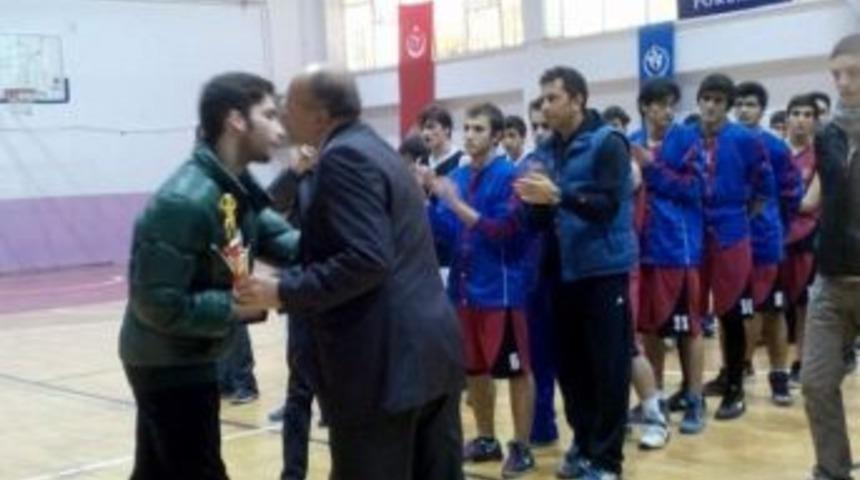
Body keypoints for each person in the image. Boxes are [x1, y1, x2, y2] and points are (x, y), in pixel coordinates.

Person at [236, 67, 465, 480]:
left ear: (321, 114)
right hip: (428, 358)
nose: (283, 114)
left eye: (290, 104)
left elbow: (365, 259)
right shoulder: (377, 150)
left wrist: (281, 291)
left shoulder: (344, 157)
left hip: (384, 369)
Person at [118, 72, 300, 479]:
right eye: (269, 115)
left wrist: (354, 245)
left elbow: (288, 242)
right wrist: (241, 304)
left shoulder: (236, 189)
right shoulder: (184, 200)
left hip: (189, 352)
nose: (279, 127)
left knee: (158, 471)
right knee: (198, 469)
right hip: (164, 360)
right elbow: (157, 304)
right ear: (236, 120)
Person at [515, 66, 636, 480]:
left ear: (578, 99)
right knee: (571, 368)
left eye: (553, 98)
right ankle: (583, 445)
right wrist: (529, 205)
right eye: (543, 99)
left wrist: (558, 195)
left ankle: (607, 460)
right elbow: (540, 217)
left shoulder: (608, 143)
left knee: (609, 368)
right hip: (559, 272)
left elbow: (607, 206)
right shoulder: (545, 149)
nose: (545, 106)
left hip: (603, 271)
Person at [424, 102, 536, 477]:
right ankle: (486, 437)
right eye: (467, 129)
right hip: (464, 289)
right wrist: (424, 198)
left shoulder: (512, 176)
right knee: (473, 370)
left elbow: (503, 231)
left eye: (478, 129)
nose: (470, 136)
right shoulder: (455, 174)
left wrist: (454, 203)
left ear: (497, 136)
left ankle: (521, 445)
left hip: (501, 291)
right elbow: (443, 233)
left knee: (516, 371)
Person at [694, 73, 774, 421]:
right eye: (705, 99)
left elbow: (764, 183)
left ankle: (736, 386)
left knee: (732, 312)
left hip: (731, 233)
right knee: (698, 310)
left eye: (717, 100)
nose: (710, 106)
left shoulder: (742, 138)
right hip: (697, 232)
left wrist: (742, 215)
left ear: (726, 105)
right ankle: (706, 382)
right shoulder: (688, 135)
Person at [630, 77, 707, 438]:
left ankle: (694, 397)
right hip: (639, 250)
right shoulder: (630, 142)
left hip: (678, 248)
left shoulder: (687, 139)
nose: (666, 111)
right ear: (645, 106)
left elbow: (695, 188)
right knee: (648, 329)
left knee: (687, 328)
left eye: (671, 104)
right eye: (659, 104)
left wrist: (651, 168)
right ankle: (655, 396)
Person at [802, 33, 860, 480]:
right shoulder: (827, 134)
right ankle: (832, 470)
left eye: (854, 73)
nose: (843, 83)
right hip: (831, 277)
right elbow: (824, 190)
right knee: (817, 382)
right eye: (837, 74)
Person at [734, 81, 802, 407]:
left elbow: (792, 195)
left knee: (773, 313)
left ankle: (779, 376)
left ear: (761, 109)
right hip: (731, 246)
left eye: (750, 104)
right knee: (731, 315)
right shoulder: (724, 144)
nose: (744, 109)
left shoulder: (776, 148)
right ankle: (732, 374)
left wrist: (777, 228)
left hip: (766, 245)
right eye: (740, 104)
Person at [266, 145, 319, 480]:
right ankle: (292, 474)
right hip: (304, 299)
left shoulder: (347, 171)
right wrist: (293, 172)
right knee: (298, 394)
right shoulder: (298, 176)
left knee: (346, 398)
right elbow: (268, 208)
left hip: (342, 300)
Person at [781, 94, 822, 386]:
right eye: (796, 113)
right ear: (787, 119)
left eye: (808, 114)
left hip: (809, 238)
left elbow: (809, 204)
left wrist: (778, 200)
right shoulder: (776, 152)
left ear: (815, 121)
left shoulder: (821, 155)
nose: (801, 119)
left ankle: (802, 363)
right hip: (775, 237)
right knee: (774, 306)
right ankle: (777, 368)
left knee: (804, 305)